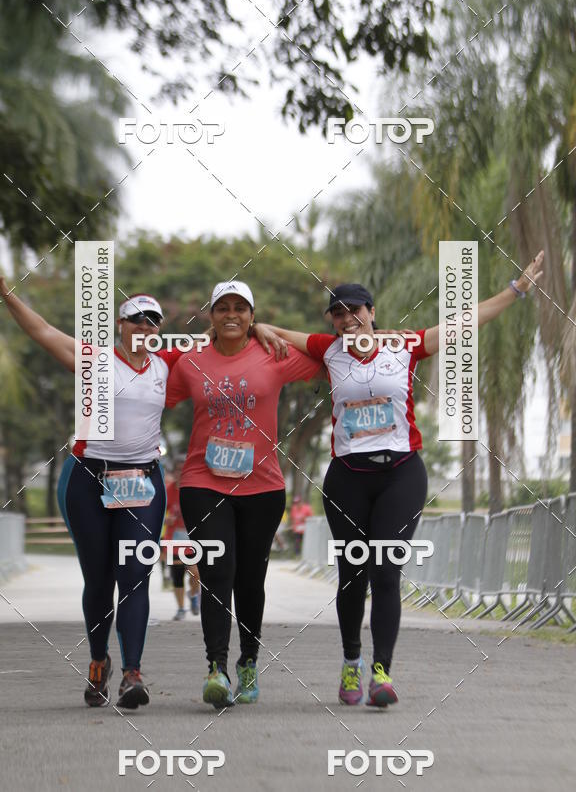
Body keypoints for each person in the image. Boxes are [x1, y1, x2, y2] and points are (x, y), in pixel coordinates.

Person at [256, 251, 544, 707]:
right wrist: (256, 326)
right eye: (338, 314)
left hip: (401, 473)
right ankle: (351, 663)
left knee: (386, 572)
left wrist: (515, 290)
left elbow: (464, 324)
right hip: (347, 478)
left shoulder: (404, 344)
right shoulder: (327, 349)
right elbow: (273, 333)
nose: (347, 319)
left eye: (355, 311)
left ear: (372, 313)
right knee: (353, 576)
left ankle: (381, 673)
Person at [0, 275, 181, 710]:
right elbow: (42, 331)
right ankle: (97, 661)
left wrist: (263, 329)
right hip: (88, 479)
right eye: (136, 320)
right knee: (99, 578)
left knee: (135, 576)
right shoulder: (95, 359)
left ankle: (132, 674)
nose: (145, 328)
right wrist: (6, 294)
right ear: (119, 325)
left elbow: (224, 346)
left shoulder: (168, 364)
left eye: (153, 322)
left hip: (141, 481)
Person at [165, 280, 323, 708]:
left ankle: (248, 661)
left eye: (240, 308)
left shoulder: (273, 354)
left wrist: (274, 330)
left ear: (252, 316)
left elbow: (329, 358)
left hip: (262, 487)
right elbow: (150, 394)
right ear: (210, 315)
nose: (231, 314)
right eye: (222, 308)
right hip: (202, 481)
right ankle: (215, 667)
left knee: (251, 579)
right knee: (218, 571)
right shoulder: (190, 361)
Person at [163, 458, 200, 619]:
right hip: (174, 538)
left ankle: (193, 595)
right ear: (174, 472)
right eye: (178, 470)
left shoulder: (194, 490)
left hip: (191, 538)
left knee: (195, 573)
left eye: (183, 470)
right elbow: (157, 513)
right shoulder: (167, 490)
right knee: (177, 574)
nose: (181, 473)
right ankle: (180, 609)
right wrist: (165, 520)